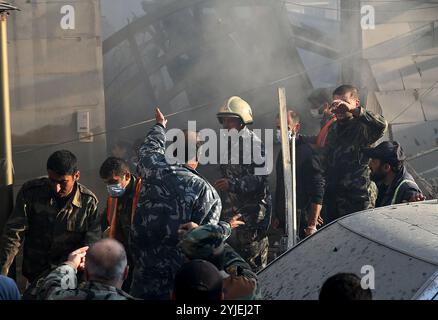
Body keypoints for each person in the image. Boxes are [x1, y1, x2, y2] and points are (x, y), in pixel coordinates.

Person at [131, 108, 222, 300]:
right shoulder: (206, 192)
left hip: (142, 279)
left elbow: (149, 148)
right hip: (180, 288)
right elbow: (205, 245)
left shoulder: (152, 167)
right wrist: (227, 227)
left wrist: (160, 126)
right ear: (197, 156)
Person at [0, 150, 101, 296]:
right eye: (52, 180)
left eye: (62, 182)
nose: (56, 187)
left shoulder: (88, 203)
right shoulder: (31, 192)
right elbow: (13, 235)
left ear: (76, 176)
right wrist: (2, 275)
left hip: (69, 281)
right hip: (36, 277)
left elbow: (90, 246)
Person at [214, 96, 272, 272]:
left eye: (230, 121)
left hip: (252, 215)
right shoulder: (228, 144)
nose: (225, 125)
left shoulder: (255, 145)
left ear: (241, 122)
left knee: (253, 266)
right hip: (234, 212)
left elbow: (260, 178)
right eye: (224, 121)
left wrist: (233, 184)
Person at [323, 85, 387, 223]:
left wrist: (352, 109)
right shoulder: (333, 129)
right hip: (335, 197)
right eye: (336, 103)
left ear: (356, 103)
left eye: (344, 102)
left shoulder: (363, 127)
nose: (339, 108)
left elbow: (382, 125)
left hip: (359, 197)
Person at [273, 110, 325, 239]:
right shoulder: (283, 152)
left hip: (302, 221)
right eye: (278, 128)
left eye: (286, 127)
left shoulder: (307, 153)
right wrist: (278, 215)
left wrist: (312, 224)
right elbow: (281, 185)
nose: (281, 131)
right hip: (286, 221)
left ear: (296, 128)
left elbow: (317, 187)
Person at [179, 221, 261, 300]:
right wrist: (207, 237)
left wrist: (198, 237)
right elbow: (240, 265)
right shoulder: (247, 288)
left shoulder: (183, 292)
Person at [37, 239, 135, 300]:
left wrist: (70, 264)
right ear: (126, 273)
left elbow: (50, 286)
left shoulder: (58, 296)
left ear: (86, 273)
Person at [99, 156, 142, 291]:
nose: (110, 187)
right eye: (107, 183)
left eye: (113, 181)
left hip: (145, 260)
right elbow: (105, 222)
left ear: (127, 176)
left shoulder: (146, 193)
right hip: (124, 262)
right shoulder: (113, 198)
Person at [364, 141, 425, 207]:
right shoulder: (384, 184)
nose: (369, 164)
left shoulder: (408, 190)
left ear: (386, 167)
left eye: (374, 161)